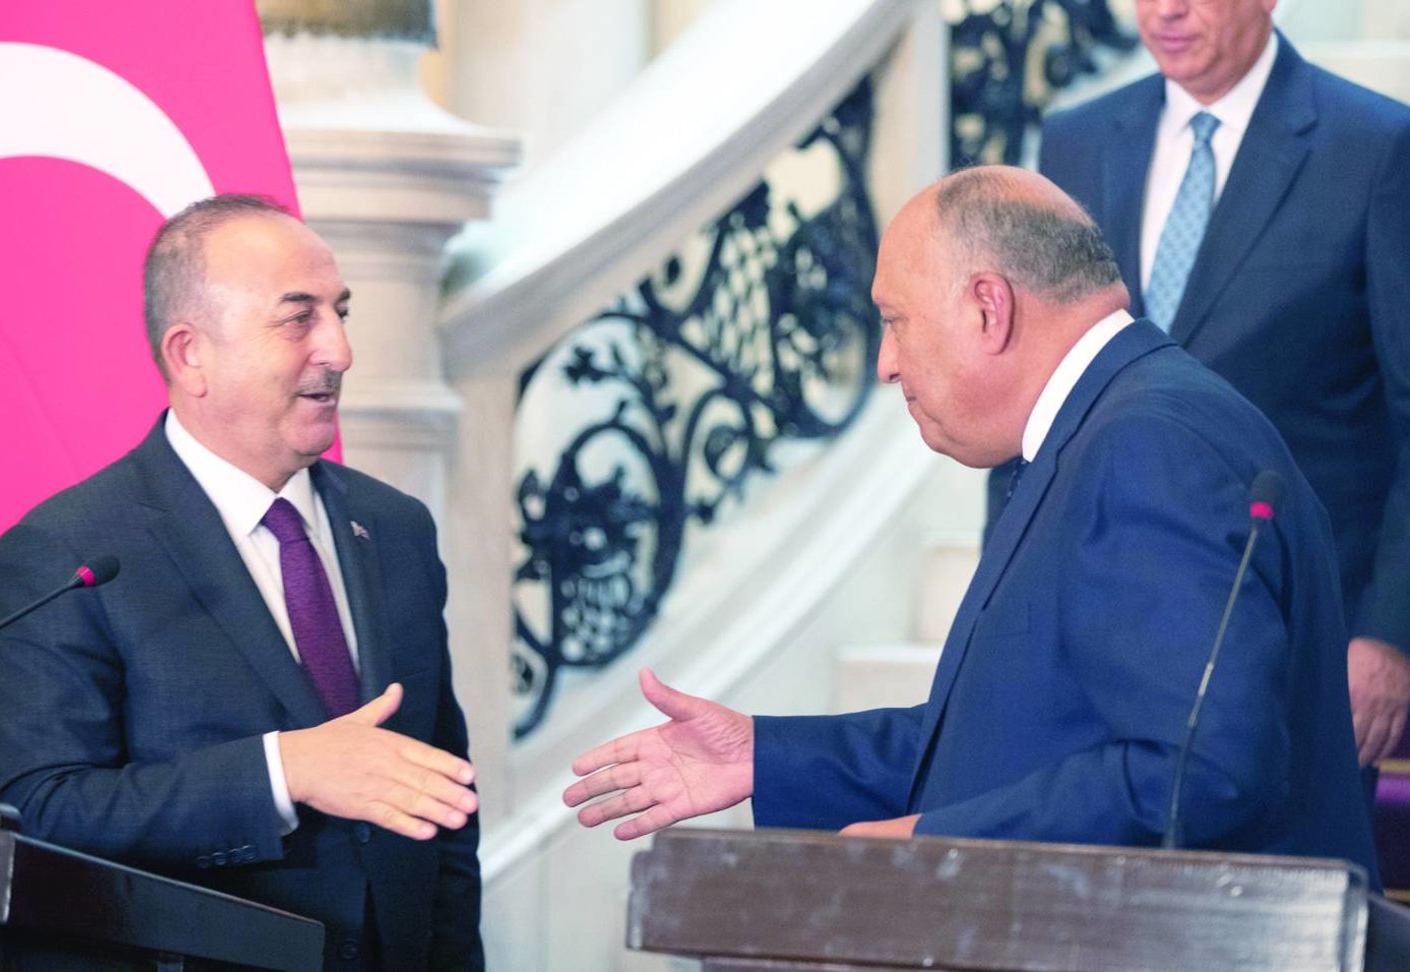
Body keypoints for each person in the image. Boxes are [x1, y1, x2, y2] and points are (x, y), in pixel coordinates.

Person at [563, 167, 1378, 881]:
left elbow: (1201, 768)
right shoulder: (1112, 426)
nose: (885, 364)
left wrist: (934, 843)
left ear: (989, 307)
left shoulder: (1145, 444)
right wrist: (761, 755)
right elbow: (1011, 745)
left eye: (895, 320)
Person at [0, 195, 483, 971]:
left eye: (341, 313)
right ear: (190, 355)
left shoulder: (396, 527)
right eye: (299, 318)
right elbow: (42, 811)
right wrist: (283, 772)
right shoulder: (66, 551)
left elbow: (445, 804)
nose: (340, 350)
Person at [991, 0, 1410, 768]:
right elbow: (1030, 389)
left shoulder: (1377, 145)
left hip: (1294, 631)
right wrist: (1004, 603)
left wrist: (1390, 634)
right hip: (1096, 625)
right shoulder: (1076, 139)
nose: (1167, 10)